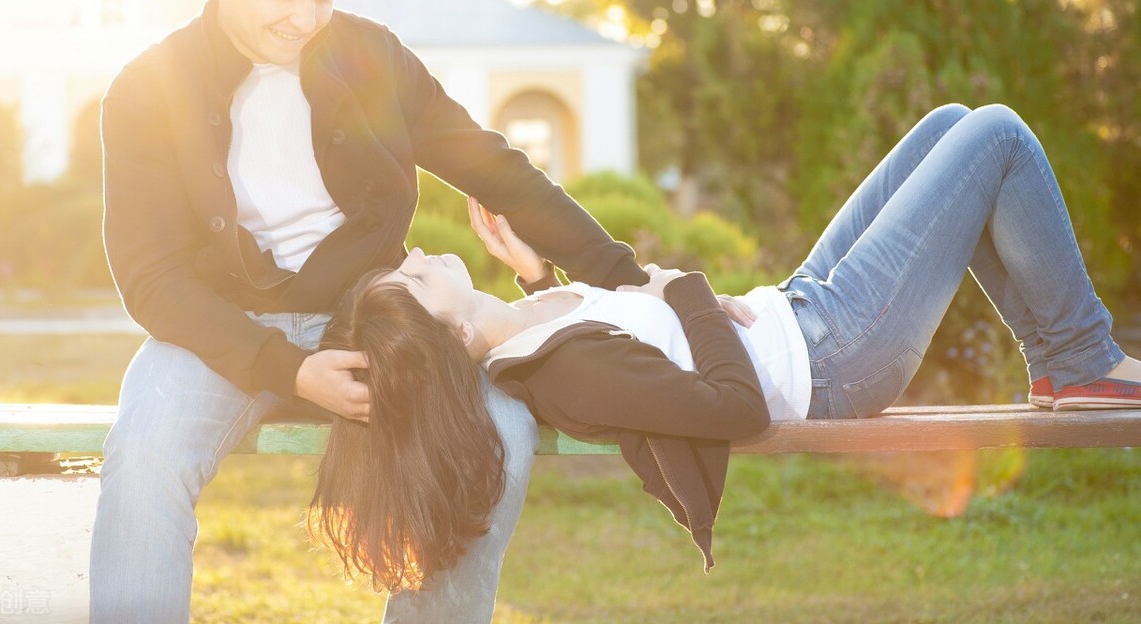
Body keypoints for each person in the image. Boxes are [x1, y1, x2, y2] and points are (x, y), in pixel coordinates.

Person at [91, 0, 669, 624]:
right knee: (143, 456)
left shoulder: (373, 58)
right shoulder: (145, 90)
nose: (306, 19)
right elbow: (151, 279)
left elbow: (498, 171)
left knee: (498, 431)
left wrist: (628, 281)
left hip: (375, 321)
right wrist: (288, 368)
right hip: (219, 331)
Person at [309, 103, 1141, 586]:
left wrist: (534, 273)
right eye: (414, 280)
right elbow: (737, 410)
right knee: (997, 135)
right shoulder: (563, 369)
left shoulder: (525, 329)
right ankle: (1078, 359)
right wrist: (686, 290)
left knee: (949, 124)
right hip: (836, 357)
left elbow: (602, 335)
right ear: (454, 332)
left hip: (803, 308)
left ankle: (1061, 364)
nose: (416, 256)